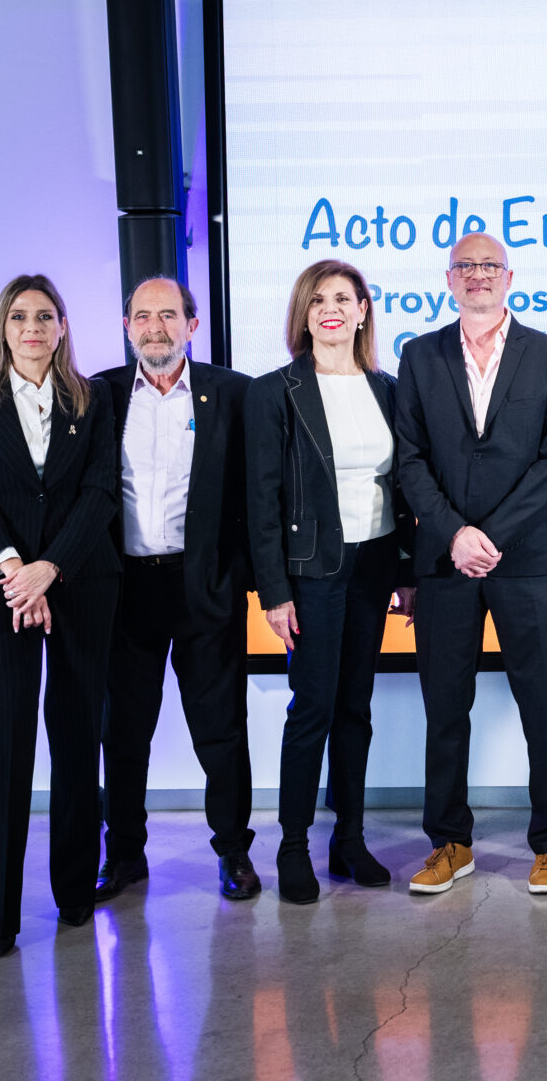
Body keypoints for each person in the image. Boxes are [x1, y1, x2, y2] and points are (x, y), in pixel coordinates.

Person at [394, 231, 547, 897]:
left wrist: (491, 535)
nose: (478, 275)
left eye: (489, 266)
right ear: (449, 280)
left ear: (510, 278)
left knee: (543, 705)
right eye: (465, 266)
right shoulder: (418, 356)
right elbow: (410, 458)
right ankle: (449, 842)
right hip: (445, 562)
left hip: (525, 558)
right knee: (445, 707)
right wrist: (454, 534)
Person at [0, 275, 120, 957]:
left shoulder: (94, 399)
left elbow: (102, 490)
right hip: (2, 588)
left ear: (63, 327)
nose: (33, 328)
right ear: (3, 327)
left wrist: (52, 568)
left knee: (77, 737)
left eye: (45, 316)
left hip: (82, 581)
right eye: (19, 317)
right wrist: (17, 569)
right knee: (8, 742)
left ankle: (75, 894)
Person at [245, 261, 416, 904]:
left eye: (343, 298)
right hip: (312, 571)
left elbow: (403, 489)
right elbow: (261, 500)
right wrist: (274, 592)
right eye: (317, 300)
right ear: (304, 314)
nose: (331, 309)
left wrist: (406, 572)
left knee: (354, 708)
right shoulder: (276, 391)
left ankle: (349, 840)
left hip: (374, 565)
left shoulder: (388, 390)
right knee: (312, 706)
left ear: (363, 310)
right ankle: (293, 847)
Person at [93, 277, 259, 904]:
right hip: (125, 589)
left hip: (203, 586)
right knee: (123, 731)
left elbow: (256, 495)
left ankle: (234, 851)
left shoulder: (234, 393)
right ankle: (124, 855)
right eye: (142, 316)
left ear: (192, 324)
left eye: (168, 315)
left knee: (221, 729)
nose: (155, 327)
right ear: (126, 327)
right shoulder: (99, 395)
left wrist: (239, 576)